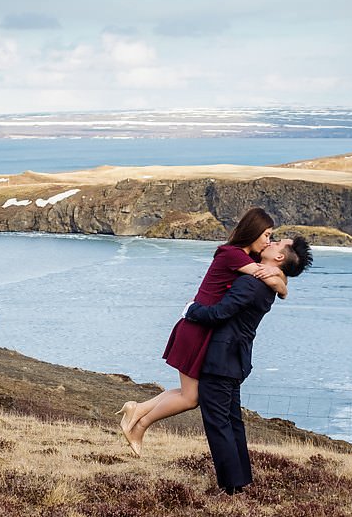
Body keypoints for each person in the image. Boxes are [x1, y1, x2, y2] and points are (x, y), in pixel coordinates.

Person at [117, 208, 288, 456]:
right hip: (196, 328)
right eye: (266, 235)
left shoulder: (243, 258)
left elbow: (276, 283)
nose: (268, 241)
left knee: (189, 394)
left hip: (202, 328)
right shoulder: (233, 255)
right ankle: (139, 425)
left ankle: (137, 411)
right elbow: (277, 287)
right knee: (191, 397)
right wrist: (279, 275)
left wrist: (279, 275)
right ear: (252, 232)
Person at [185, 236, 312, 495]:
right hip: (236, 360)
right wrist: (281, 279)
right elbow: (280, 282)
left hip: (220, 360)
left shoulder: (251, 283)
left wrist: (191, 309)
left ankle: (231, 487)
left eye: (276, 243)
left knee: (219, 423)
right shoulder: (268, 283)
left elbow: (219, 313)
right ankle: (240, 482)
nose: (271, 241)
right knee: (232, 422)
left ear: (279, 258)